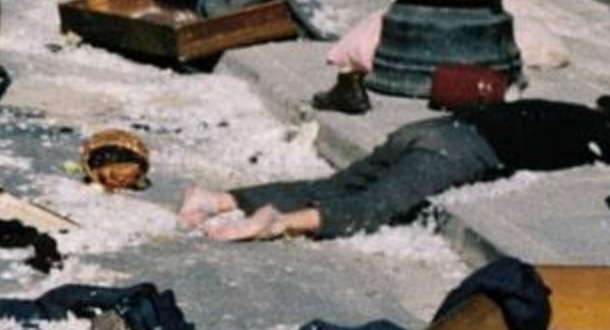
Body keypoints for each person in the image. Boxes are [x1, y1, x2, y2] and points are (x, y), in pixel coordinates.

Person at [179, 97, 610, 241]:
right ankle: (282, 222)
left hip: (429, 130)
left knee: (337, 184)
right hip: (456, 151)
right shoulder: (598, 133)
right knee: (374, 206)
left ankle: (216, 200)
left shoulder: (572, 112)